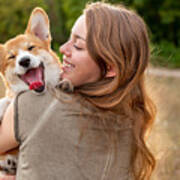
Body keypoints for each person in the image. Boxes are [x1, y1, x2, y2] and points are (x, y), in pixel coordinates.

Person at [0, 2, 156, 180]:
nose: (62, 49)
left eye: (78, 45)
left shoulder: (33, 104)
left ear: (109, 67)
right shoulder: (132, 118)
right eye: (69, 39)